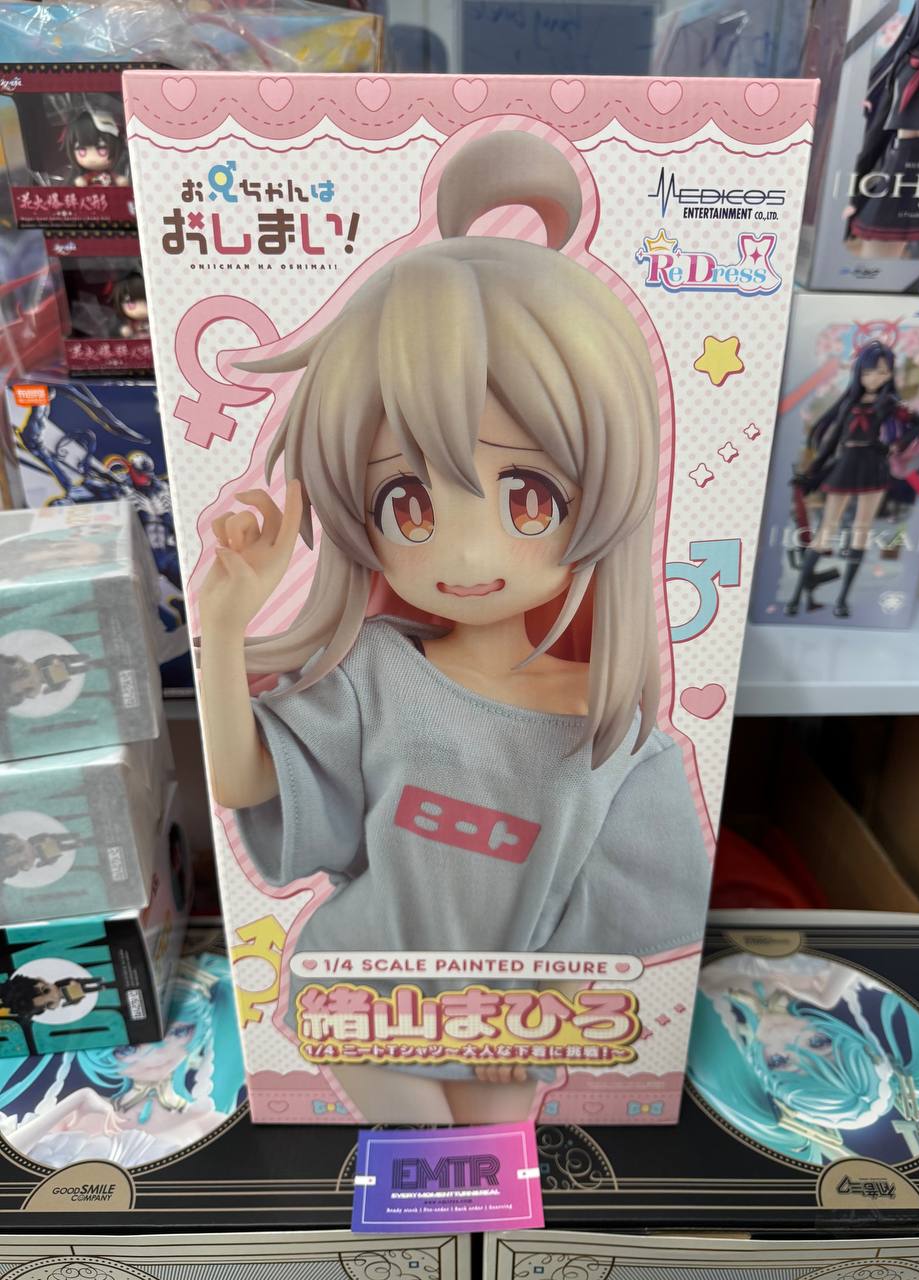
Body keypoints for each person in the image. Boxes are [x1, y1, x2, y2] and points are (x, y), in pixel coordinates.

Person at [199, 130, 709, 1123]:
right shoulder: (378, 674)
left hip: (510, 1019)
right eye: (408, 502)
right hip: (364, 994)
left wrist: (540, 1003)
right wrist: (223, 625)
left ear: (603, 488)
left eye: (529, 495)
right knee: (424, 1163)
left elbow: (636, 916)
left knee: (493, 1174)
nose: (468, 551)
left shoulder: (615, 735)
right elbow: (245, 781)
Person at [689, 951, 919, 1166]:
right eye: (818, 1042)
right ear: (848, 1038)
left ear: (769, 1079)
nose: (784, 1036)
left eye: (779, 1061)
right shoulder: (833, 981)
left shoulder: (714, 1011)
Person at [0, 954, 244, 1168]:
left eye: (179, 1032)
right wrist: (80, 1099)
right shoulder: (75, 1113)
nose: (158, 1054)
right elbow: (11, 1165)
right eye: (130, 1047)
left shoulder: (209, 1123)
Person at [786, 342, 919, 617]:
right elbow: (831, 442)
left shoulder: (890, 403)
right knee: (826, 529)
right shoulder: (848, 402)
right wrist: (812, 471)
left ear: (890, 374)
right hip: (846, 463)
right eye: (868, 372)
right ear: (859, 372)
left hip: (873, 465)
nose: (874, 378)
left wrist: (897, 445)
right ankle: (796, 596)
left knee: (861, 528)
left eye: (882, 372)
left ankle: (842, 599)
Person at [847, 0, 919, 259]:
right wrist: (858, 182)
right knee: (873, 264)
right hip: (900, 165)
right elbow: (881, 122)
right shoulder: (912, 43)